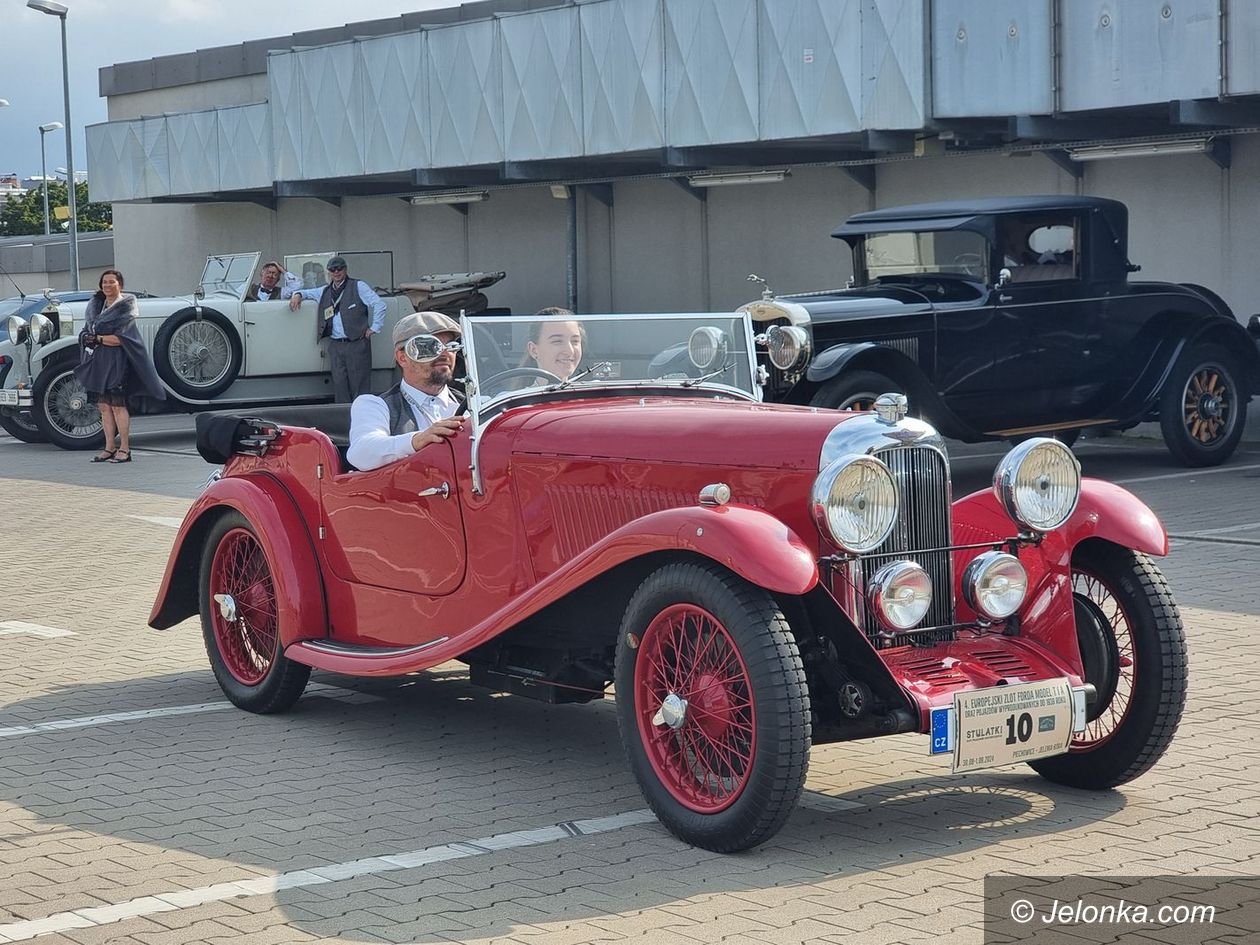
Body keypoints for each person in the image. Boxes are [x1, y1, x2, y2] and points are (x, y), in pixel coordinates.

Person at [346, 311, 465, 472]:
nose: (444, 354)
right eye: (429, 346)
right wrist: (416, 440)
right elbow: (361, 452)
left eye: (451, 346)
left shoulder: (471, 404)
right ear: (403, 358)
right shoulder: (374, 405)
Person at [75, 269, 166, 464]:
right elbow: (85, 331)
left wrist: (97, 338)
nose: (107, 285)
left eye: (111, 282)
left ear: (120, 285)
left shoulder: (125, 309)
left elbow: (121, 339)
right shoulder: (95, 307)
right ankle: (109, 448)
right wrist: (86, 337)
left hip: (117, 363)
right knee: (104, 406)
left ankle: (125, 448)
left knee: (117, 406)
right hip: (98, 362)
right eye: (104, 282)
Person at [289, 255, 387, 402]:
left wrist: (374, 327)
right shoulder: (325, 290)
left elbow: (379, 304)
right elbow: (307, 293)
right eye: (332, 270)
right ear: (329, 272)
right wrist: (297, 295)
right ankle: (343, 419)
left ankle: (361, 420)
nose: (336, 272)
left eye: (339, 269)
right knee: (340, 386)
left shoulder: (358, 286)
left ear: (345, 270)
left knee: (359, 387)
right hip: (335, 345)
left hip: (357, 344)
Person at [520, 308, 586, 381]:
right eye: (557, 341)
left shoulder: (594, 390)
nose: (570, 351)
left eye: (575, 341)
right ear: (534, 350)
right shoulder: (521, 392)